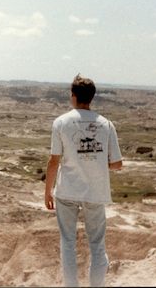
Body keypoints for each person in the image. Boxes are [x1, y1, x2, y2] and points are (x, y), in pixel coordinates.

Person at [45, 75, 122, 287]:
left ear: (73, 96)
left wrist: (47, 191)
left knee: (68, 243)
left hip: (67, 190)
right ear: (92, 97)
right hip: (96, 192)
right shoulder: (106, 124)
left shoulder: (61, 122)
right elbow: (117, 164)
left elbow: (54, 160)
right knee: (97, 245)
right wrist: (95, 163)